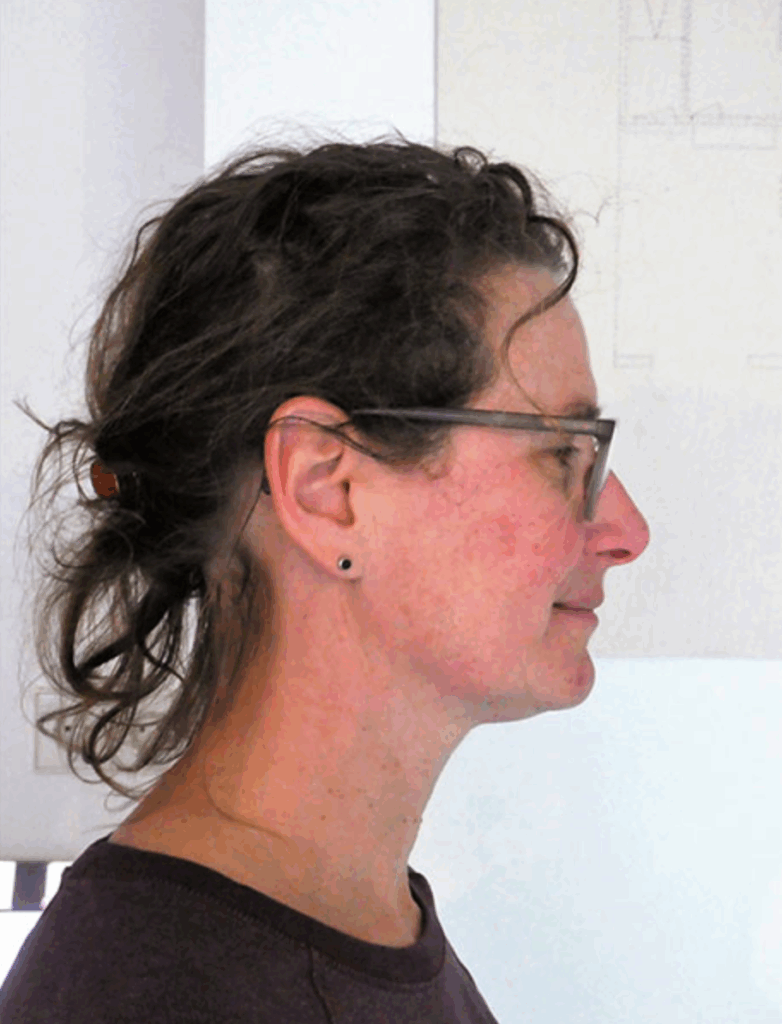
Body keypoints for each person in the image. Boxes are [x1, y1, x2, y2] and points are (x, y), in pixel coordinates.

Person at [1, 130, 649, 1022]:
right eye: (563, 455)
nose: (626, 530)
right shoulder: (157, 994)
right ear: (327, 490)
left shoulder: (358, 929)